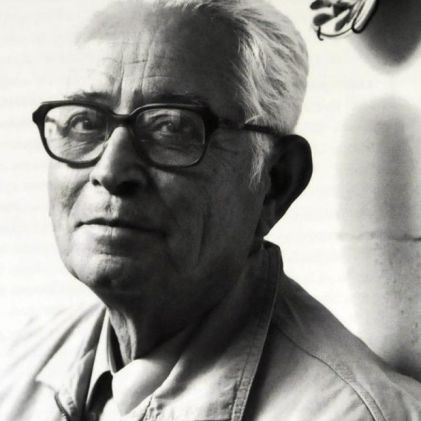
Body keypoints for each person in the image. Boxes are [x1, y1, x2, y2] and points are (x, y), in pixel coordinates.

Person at [1, 0, 421, 420]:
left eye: (172, 126)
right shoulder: (15, 362)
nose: (110, 172)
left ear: (276, 182)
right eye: (85, 123)